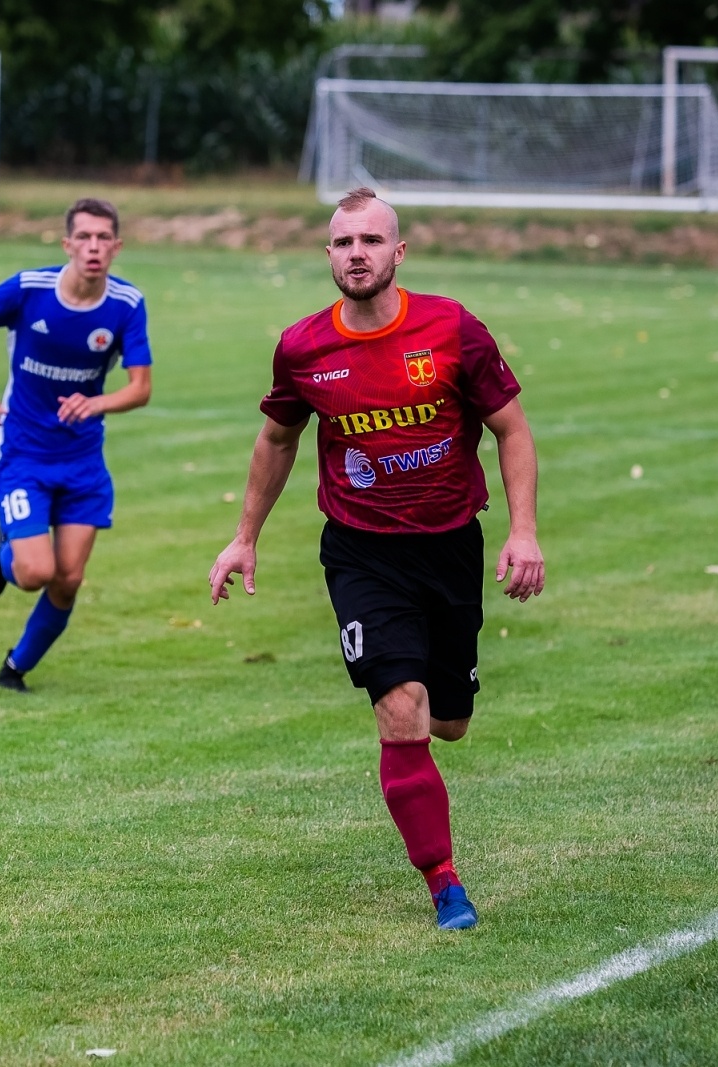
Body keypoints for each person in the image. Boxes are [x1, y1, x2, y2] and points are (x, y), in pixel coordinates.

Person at [207, 187, 544, 930]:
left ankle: (440, 820)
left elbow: (511, 430)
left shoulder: (451, 328)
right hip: (361, 551)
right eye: (341, 243)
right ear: (327, 255)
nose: (355, 254)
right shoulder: (303, 348)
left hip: (451, 541)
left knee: (449, 721)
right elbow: (278, 438)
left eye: (369, 240)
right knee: (401, 714)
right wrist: (244, 536)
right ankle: (445, 882)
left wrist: (523, 531)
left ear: (398, 253)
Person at [0, 198, 153, 691]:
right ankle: (5, 551)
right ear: (67, 245)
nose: (94, 247)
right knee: (36, 571)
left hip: (82, 463)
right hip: (24, 455)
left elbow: (140, 388)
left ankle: (15, 668)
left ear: (117, 247)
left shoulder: (126, 305)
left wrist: (96, 403)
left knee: (69, 579)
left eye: (104, 238)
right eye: (84, 237)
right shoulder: (29, 289)